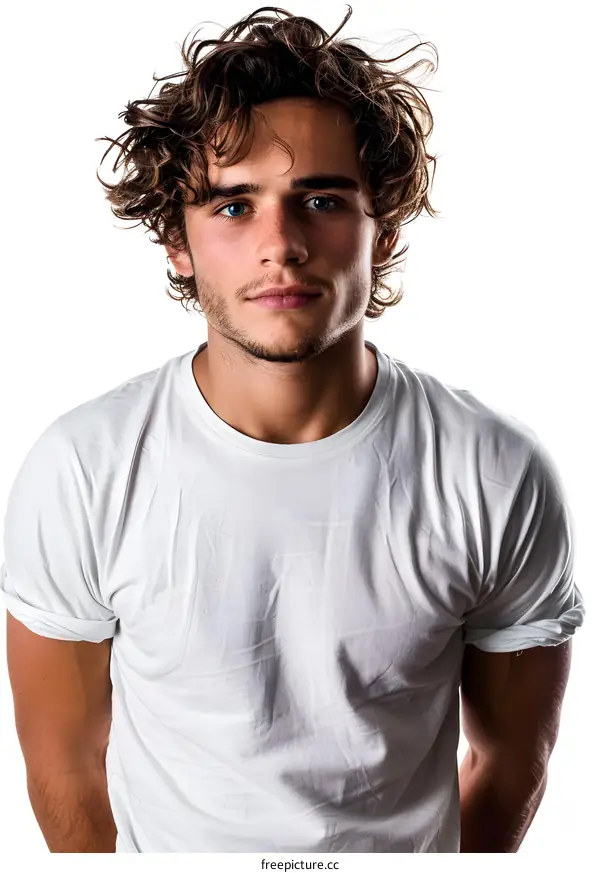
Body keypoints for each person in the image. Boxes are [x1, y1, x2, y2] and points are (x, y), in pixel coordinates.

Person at [0, 6, 585, 854]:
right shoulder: (84, 466)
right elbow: (64, 764)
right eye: (233, 206)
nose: (282, 244)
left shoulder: (493, 469)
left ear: (380, 228)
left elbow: (507, 757)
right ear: (178, 241)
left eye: (321, 198)